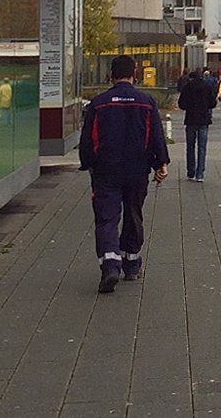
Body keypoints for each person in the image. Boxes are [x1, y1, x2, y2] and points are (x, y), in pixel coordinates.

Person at [78, 55, 168, 293]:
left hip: (106, 171)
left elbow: (87, 139)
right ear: (134, 74)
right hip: (137, 170)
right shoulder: (146, 102)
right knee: (133, 214)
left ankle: (110, 265)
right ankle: (131, 264)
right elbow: (156, 135)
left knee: (107, 218)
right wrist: (161, 163)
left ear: (111, 75)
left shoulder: (99, 103)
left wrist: (88, 163)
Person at [177, 68, 216, 182]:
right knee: (202, 147)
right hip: (203, 120)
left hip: (191, 120)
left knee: (190, 146)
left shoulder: (187, 87)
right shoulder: (207, 86)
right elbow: (212, 103)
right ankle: (200, 174)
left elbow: (181, 104)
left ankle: (191, 172)